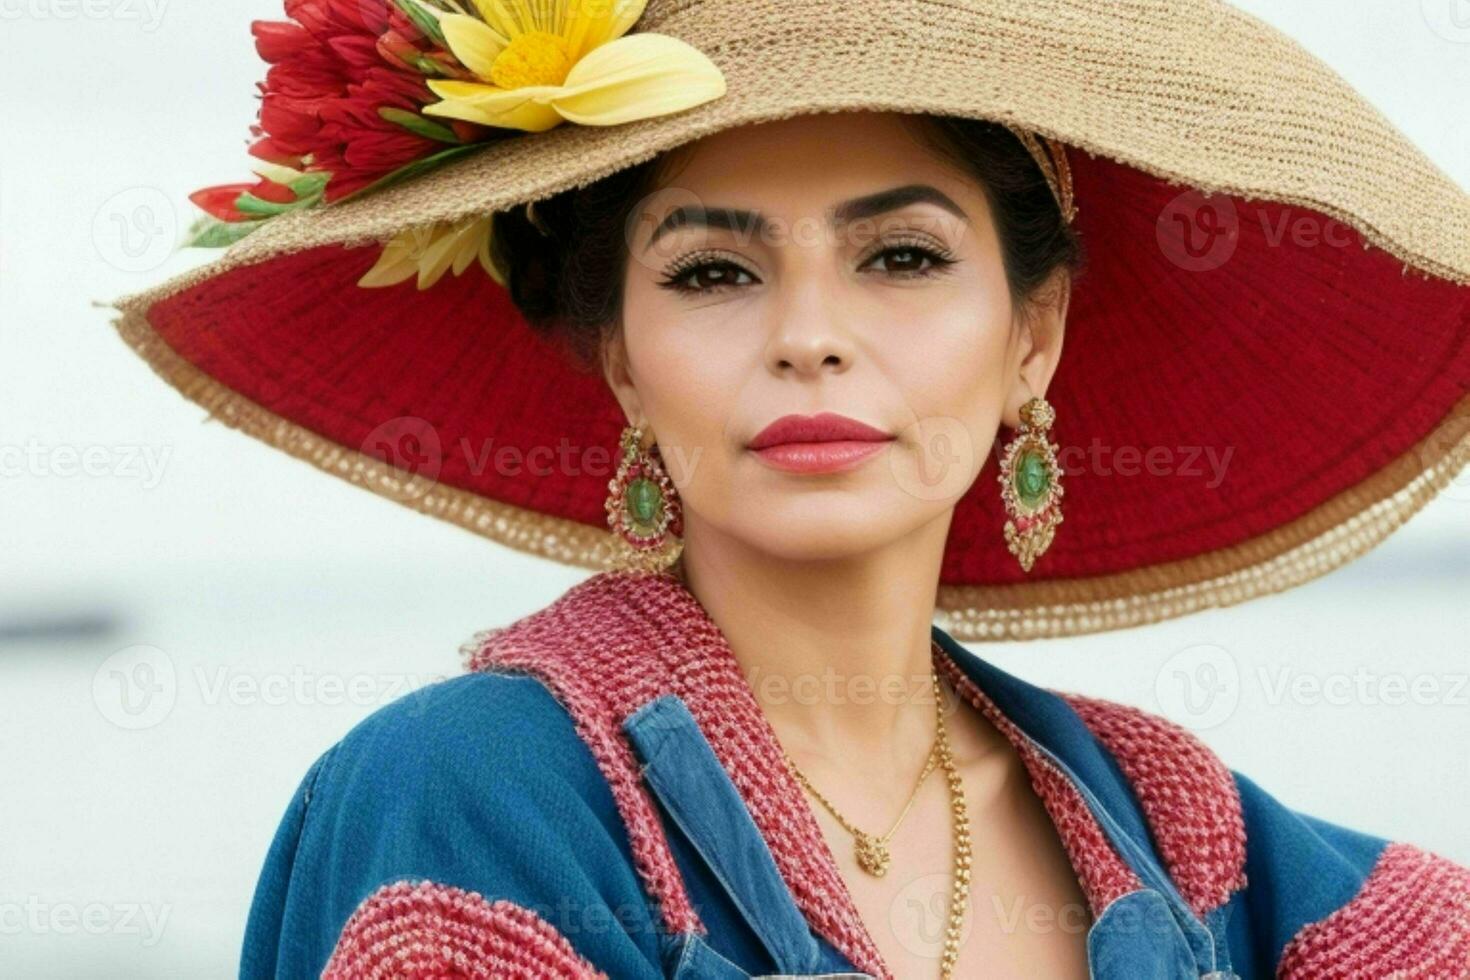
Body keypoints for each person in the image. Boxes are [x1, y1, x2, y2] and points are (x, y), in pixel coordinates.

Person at [102, 0, 1470, 976]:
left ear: (1030, 338)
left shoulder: (1178, 822)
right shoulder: (472, 791)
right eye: (713, 271)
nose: (808, 334)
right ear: (622, 365)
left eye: (902, 257)